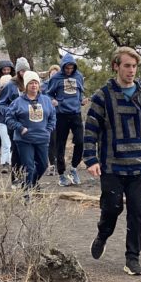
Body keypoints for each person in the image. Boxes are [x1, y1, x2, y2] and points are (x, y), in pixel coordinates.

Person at [84, 46, 141, 276]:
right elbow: (91, 129)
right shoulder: (102, 96)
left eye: (134, 66)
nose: (131, 70)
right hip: (111, 166)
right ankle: (103, 234)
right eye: (127, 65)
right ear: (116, 66)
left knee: (137, 211)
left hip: (138, 166)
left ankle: (132, 258)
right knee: (111, 207)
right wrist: (91, 159)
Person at [6, 71, 56, 195]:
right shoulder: (18, 102)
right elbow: (9, 118)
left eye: (36, 83)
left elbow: (52, 117)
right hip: (24, 139)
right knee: (29, 166)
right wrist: (20, 128)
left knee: (43, 165)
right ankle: (27, 194)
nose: (34, 85)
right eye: (31, 83)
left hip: (42, 138)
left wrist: (48, 130)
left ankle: (29, 184)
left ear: (39, 85)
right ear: (26, 86)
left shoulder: (46, 100)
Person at [46, 54, 86, 187]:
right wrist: (53, 101)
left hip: (76, 114)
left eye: (71, 68)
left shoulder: (78, 76)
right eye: (67, 68)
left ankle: (74, 169)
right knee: (60, 145)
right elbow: (48, 93)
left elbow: (80, 92)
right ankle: (62, 174)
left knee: (80, 141)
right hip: (61, 114)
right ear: (63, 67)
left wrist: (82, 101)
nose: (69, 70)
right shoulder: (56, 78)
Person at [0, 57, 30, 187]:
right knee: (16, 150)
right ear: (17, 72)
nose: (23, 73)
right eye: (21, 70)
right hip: (15, 124)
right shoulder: (11, 85)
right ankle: (16, 179)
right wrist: (10, 113)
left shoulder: (32, 83)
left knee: (28, 152)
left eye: (25, 70)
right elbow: (1, 103)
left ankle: (28, 179)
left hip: (30, 123)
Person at [41, 64, 60, 176]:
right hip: (48, 117)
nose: (54, 75)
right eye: (52, 73)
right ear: (49, 74)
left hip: (61, 116)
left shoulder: (62, 85)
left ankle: (59, 163)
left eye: (56, 73)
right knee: (51, 141)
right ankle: (52, 164)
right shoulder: (44, 86)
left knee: (59, 141)